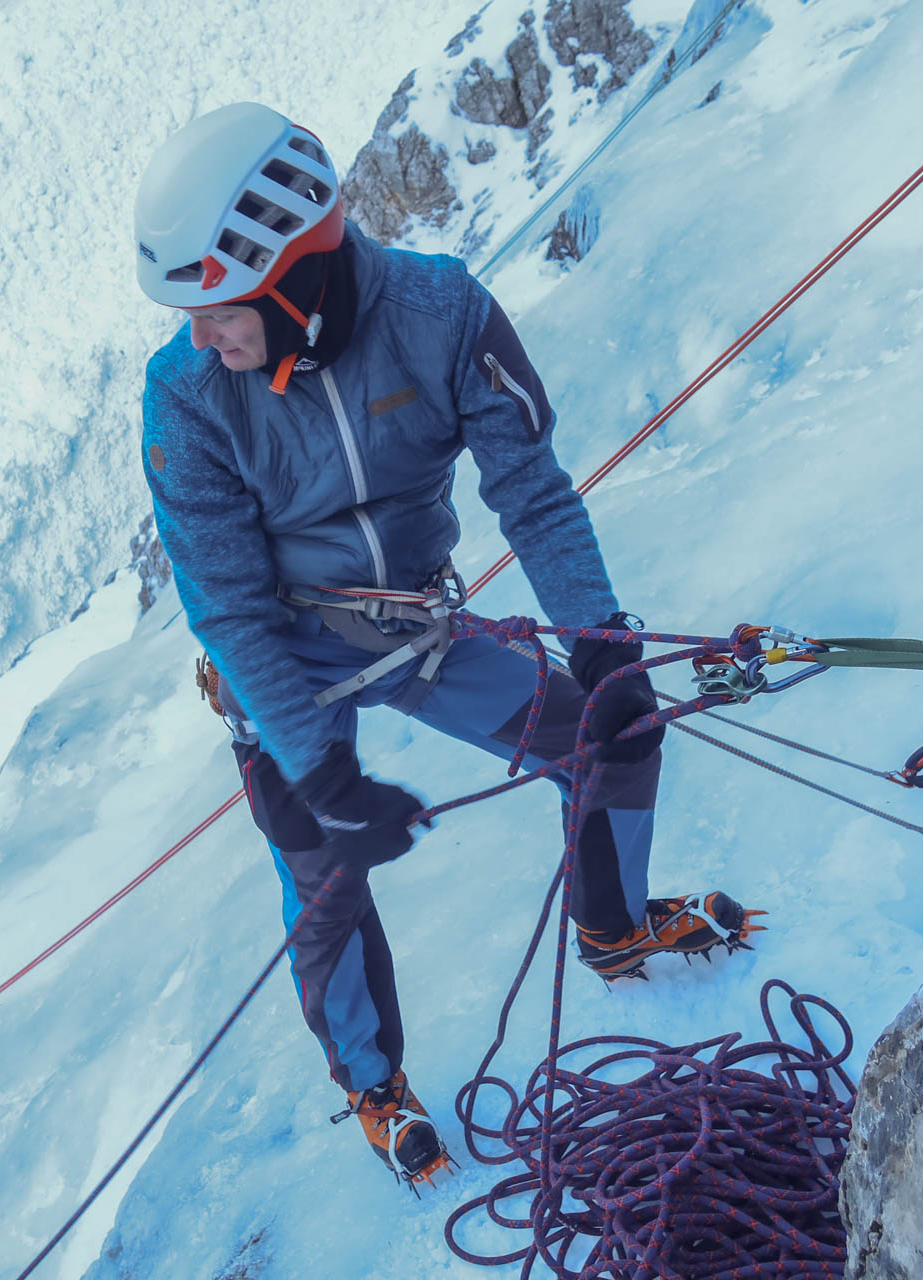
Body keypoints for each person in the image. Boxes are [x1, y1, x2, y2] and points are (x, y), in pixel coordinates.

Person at [133, 102, 759, 1188]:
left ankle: (614, 930)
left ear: (289, 271)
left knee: (612, 735)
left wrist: (604, 649)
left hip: (415, 625)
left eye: (219, 309)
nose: (202, 337)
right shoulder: (188, 398)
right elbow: (228, 609)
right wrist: (325, 769)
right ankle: (373, 1080)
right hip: (282, 665)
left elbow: (533, 493)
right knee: (323, 868)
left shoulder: (440, 311)